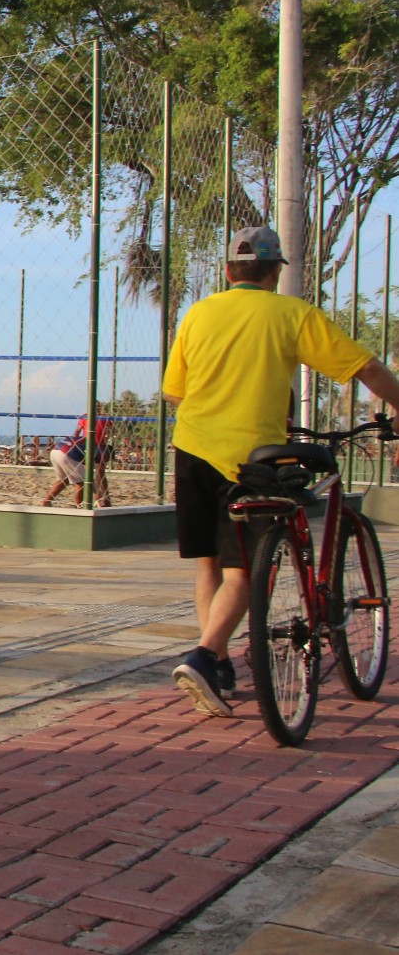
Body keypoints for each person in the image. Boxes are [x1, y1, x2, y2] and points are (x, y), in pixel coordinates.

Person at [163, 225, 399, 718]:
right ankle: (204, 657)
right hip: (250, 458)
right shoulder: (293, 314)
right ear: (274, 272)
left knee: (209, 562)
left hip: (191, 448)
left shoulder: (199, 313)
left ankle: (219, 664)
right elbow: (367, 369)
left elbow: (174, 392)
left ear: (229, 271)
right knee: (245, 570)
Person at [41, 415, 111, 507]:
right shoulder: (98, 450)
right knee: (82, 482)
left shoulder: (86, 438)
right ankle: (78, 506)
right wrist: (101, 497)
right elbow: (97, 475)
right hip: (67, 454)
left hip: (55, 451)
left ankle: (46, 501)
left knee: (63, 480)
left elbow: (77, 434)